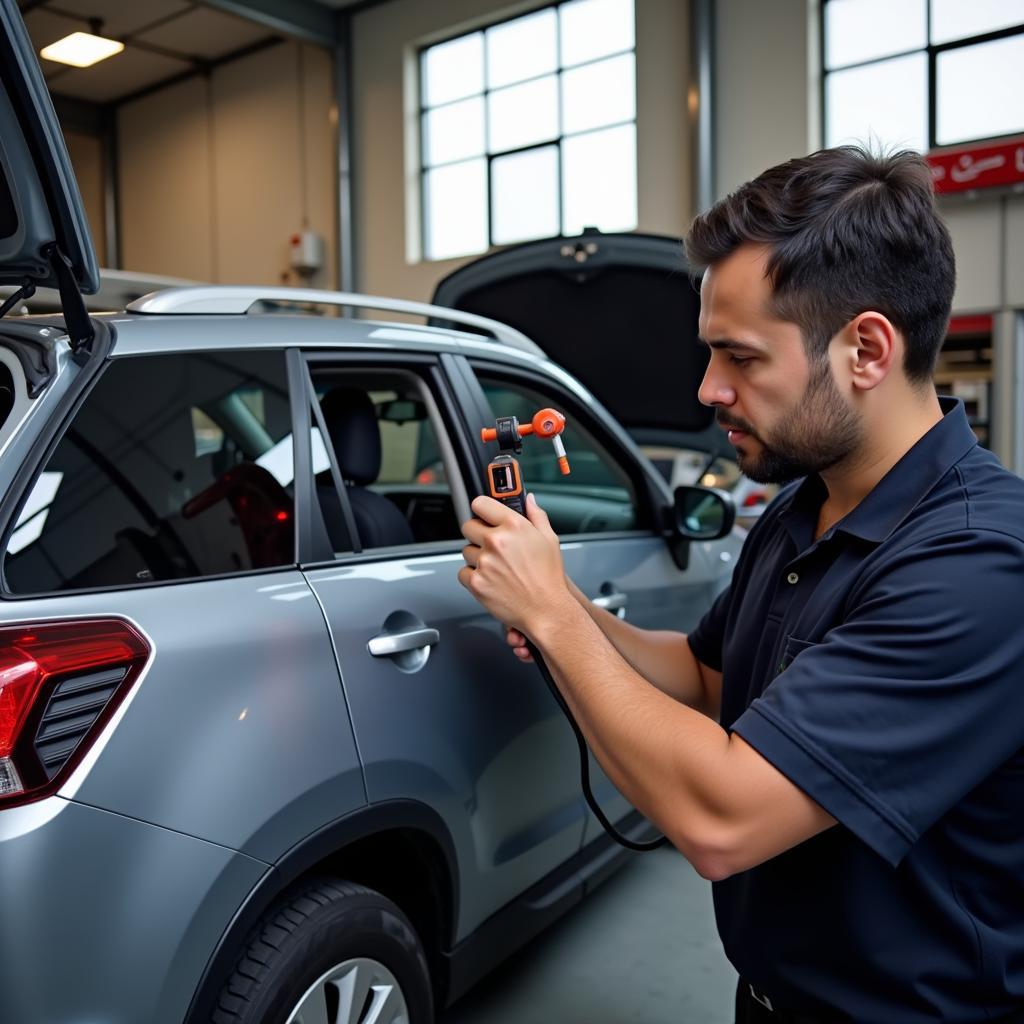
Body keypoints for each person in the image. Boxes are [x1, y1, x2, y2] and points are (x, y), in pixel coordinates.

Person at [457, 146, 1024, 1023]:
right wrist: (563, 601)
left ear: (866, 349)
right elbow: (706, 678)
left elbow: (722, 823)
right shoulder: (805, 506)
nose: (708, 388)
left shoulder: (978, 566)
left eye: (741, 357)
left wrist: (555, 625)